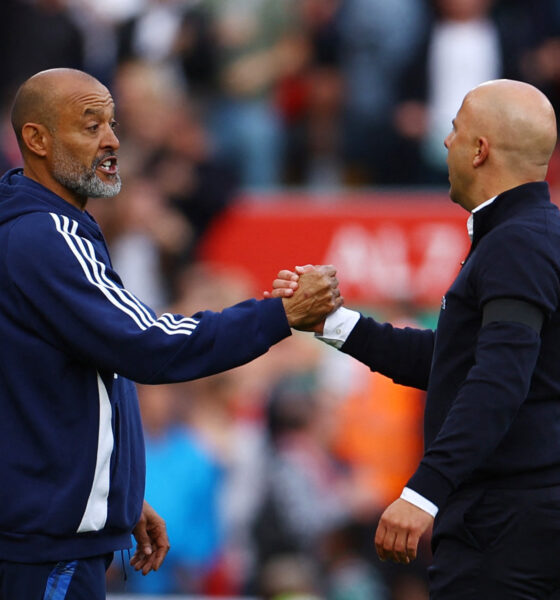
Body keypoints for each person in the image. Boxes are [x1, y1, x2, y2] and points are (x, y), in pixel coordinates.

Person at [0, 67, 341, 599]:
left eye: (112, 124)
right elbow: (148, 344)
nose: (112, 140)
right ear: (36, 139)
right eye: (90, 126)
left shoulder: (35, 230)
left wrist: (120, 493)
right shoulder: (47, 236)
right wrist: (281, 314)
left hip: (44, 534)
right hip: (46, 548)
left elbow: (47, 387)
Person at [267, 79, 560, 598]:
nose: (446, 144)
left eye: (454, 131)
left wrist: (423, 493)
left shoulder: (517, 243)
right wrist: (332, 323)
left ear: (480, 150)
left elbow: (498, 380)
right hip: (517, 519)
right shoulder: (528, 236)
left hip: (507, 525)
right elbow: (456, 362)